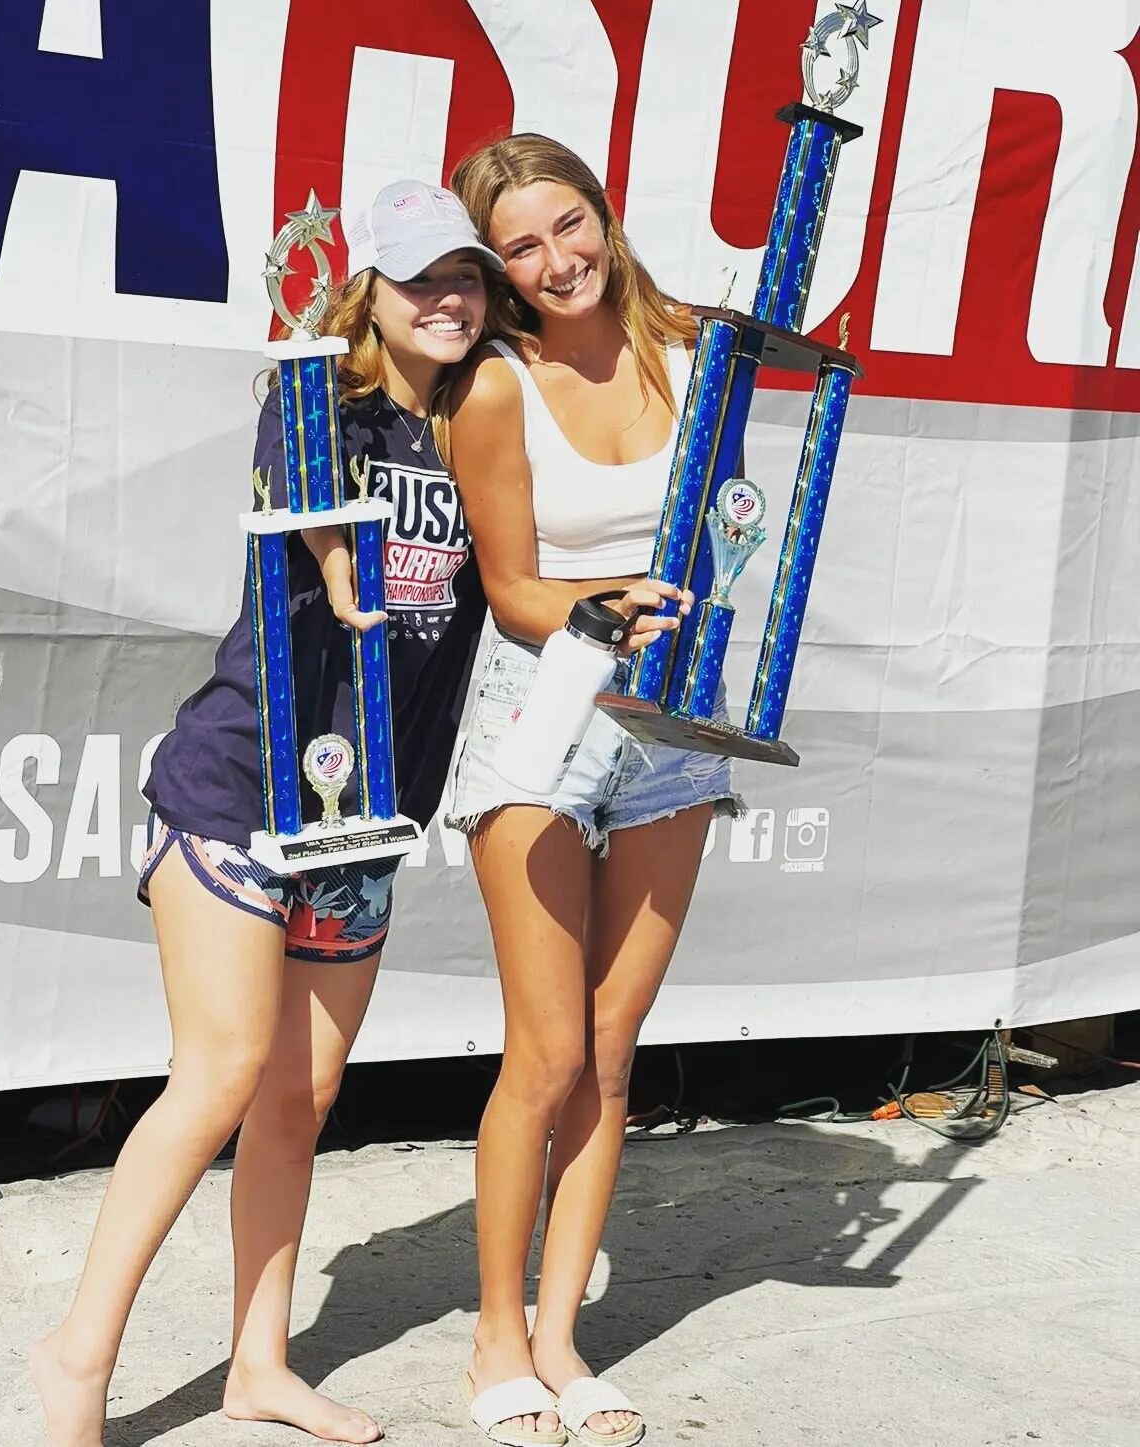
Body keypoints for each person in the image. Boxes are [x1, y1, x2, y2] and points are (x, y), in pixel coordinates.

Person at [30, 180, 502, 1447]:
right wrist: (343, 566)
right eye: (421, 280)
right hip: (238, 793)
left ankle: (259, 1366)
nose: (449, 300)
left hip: (361, 820)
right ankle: (76, 1359)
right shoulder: (318, 403)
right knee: (225, 1072)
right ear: (371, 295)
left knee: (300, 1097)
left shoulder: (478, 429)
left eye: (466, 276)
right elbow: (302, 486)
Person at [443, 135, 740, 1447]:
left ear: (605, 217)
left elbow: (728, 524)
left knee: (612, 1057)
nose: (558, 259)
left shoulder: (688, 350)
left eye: (571, 225)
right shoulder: (498, 388)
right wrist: (607, 604)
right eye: (523, 244)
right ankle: (494, 1337)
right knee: (549, 1050)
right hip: (540, 720)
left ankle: (561, 1334)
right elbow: (507, 586)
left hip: (673, 731)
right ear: (496, 267)